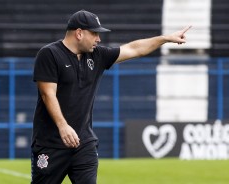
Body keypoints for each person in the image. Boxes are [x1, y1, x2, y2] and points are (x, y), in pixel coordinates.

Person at [31, 9, 191, 184]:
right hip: (51, 144)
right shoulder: (49, 54)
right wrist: (63, 126)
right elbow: (48, 94)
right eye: (94, 34)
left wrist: (165, 38)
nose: (98, 39)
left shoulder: (97, 55)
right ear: (79, 33)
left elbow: (134, 49)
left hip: (84, 144)